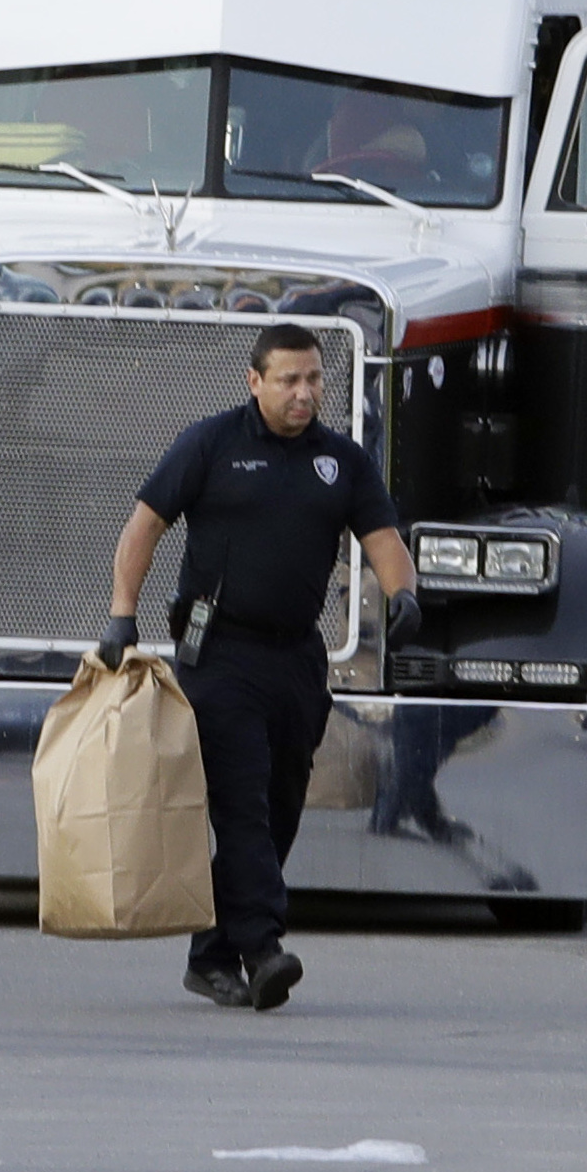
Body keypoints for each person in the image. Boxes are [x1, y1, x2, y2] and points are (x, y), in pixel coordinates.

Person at [106, 323, 418, 1013]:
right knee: (241, 799)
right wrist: (121, 615)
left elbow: (382, 537)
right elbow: (144, 525)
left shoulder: (340, 460)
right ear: (254, 381)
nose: (304, 392)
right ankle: (263, 947)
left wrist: (405, 595)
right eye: (288, 380)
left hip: (297, 657)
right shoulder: (210, 443)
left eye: (314, 379)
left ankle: (211, 956)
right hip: (221, 653)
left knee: (280, 806)